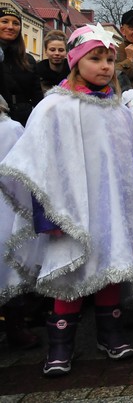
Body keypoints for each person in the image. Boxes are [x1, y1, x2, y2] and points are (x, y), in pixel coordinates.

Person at [0, 23, 133, 376]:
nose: (104, 66)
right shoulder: (55, 107)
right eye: (95, 58)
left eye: (109, 59)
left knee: (110, 271)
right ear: (75, 62)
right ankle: (60, 347)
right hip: (68, 212)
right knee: (68, 277)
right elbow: (35, 161)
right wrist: (46, 212)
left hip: (111, 212)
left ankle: (111, 335)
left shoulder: (118, 112)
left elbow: (127, 165)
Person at [0, 94, 40, 350]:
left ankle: (16, 324)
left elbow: (23, 166)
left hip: (5, 204)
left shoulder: (10, 128)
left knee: (8, 259)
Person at [0, 6, 41, 125]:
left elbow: (37, 96)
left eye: (16, 23)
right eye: (4, 21)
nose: (10, 27)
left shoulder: (28, 60)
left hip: (24, 121)